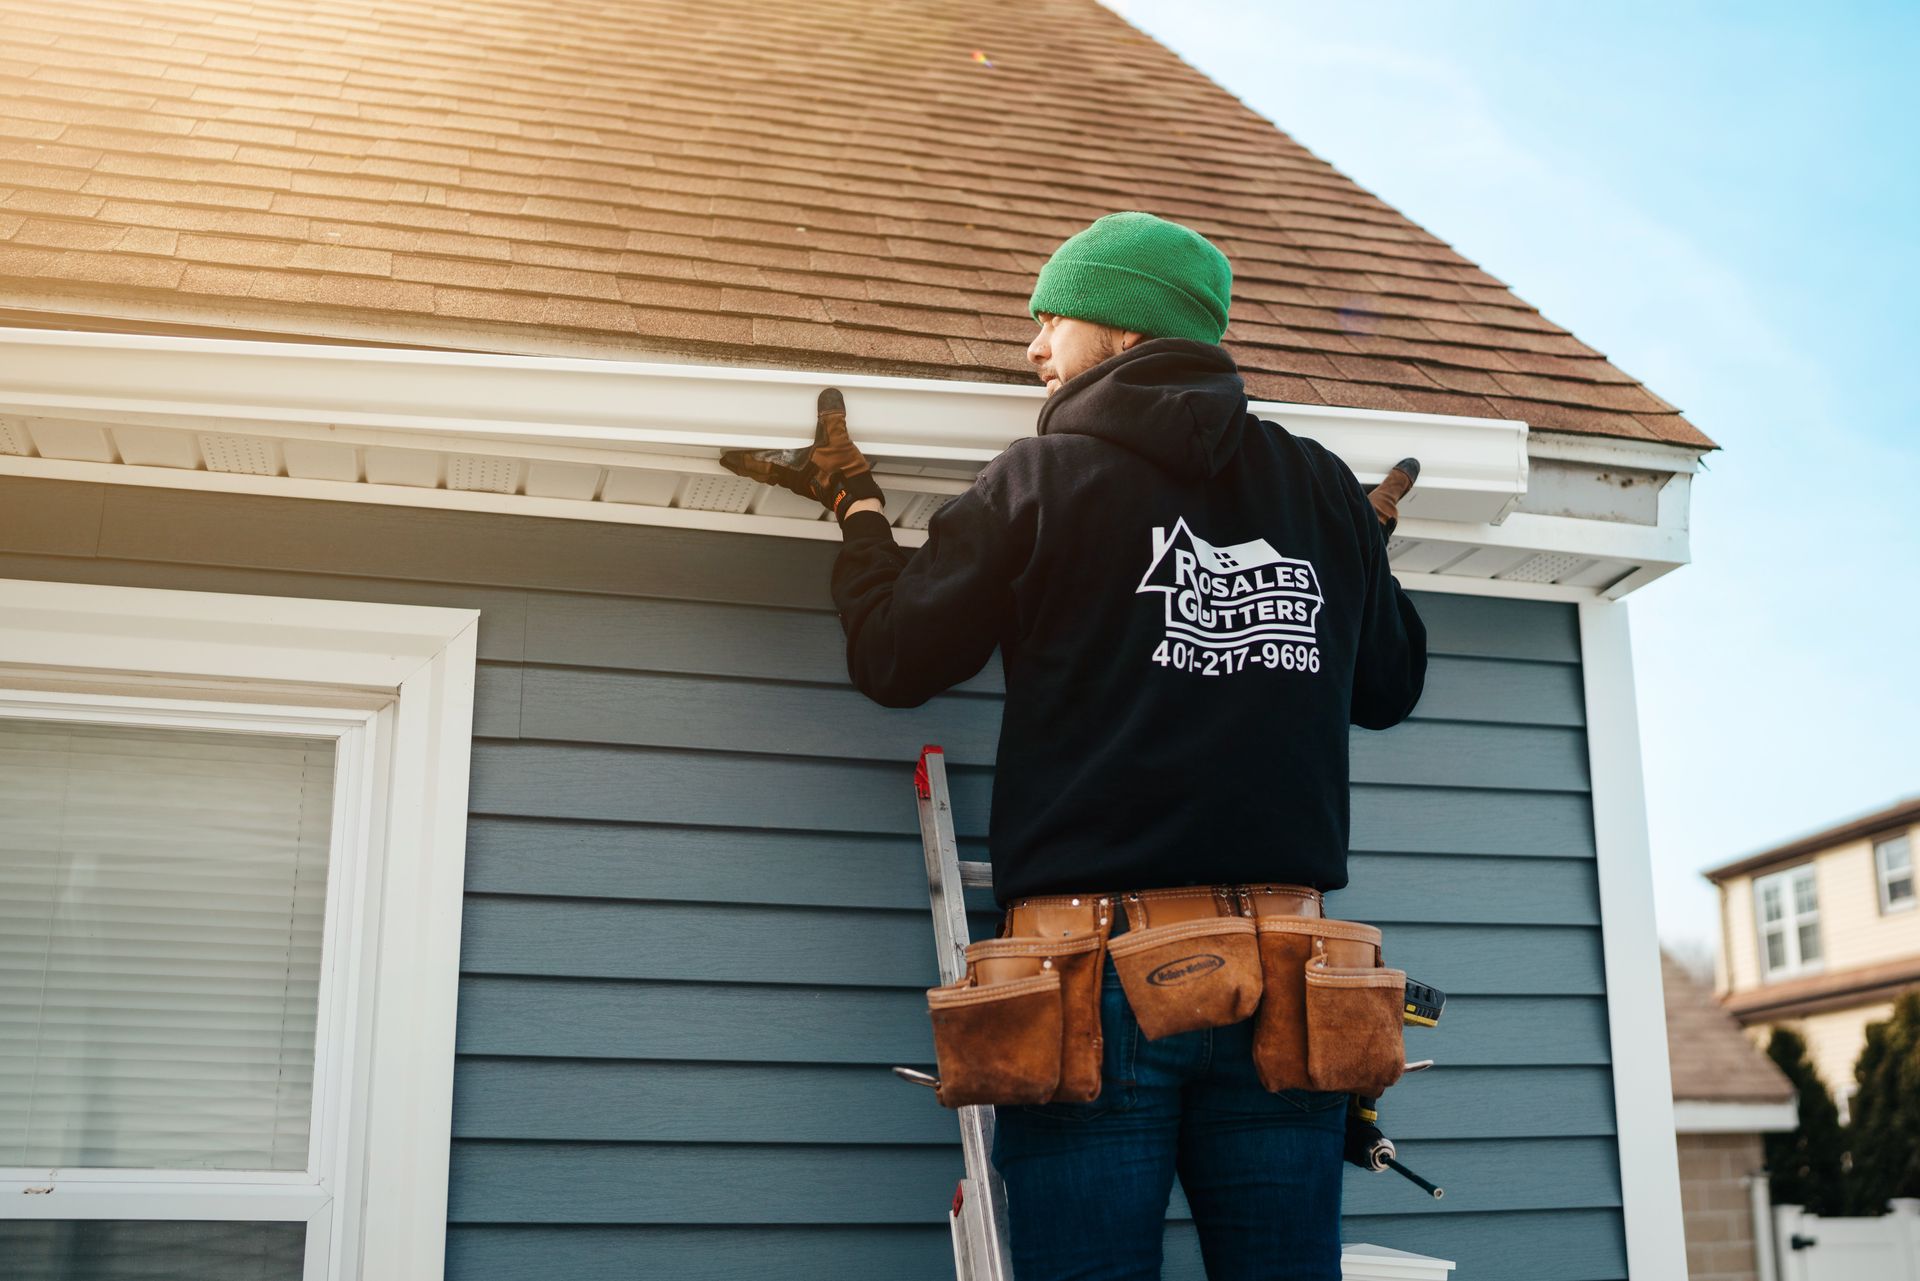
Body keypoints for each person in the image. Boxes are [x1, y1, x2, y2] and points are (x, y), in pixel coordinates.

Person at [722, 211, 1427, 1280]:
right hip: (1292, 979)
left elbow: (896, 658)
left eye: (1049, 317)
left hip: (1092, 979)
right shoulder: (1321, 487)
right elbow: (1390, 685)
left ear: (1119, 326)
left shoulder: (1042, 479)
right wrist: (1356, 555)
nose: (1033, 347)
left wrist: (857, 506)